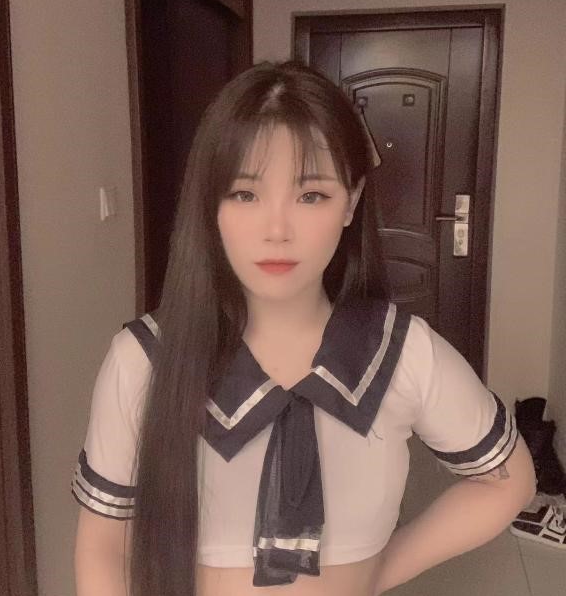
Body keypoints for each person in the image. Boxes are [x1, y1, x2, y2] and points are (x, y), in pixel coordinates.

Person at [72, 61, 536, 596]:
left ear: (351, 202)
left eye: (310, 195)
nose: (277, 230)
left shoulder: (402, 351)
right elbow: (103, 545)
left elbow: (508, 481)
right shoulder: (145, 359)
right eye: (245, 194)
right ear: (210, 205)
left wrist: (376, 574)